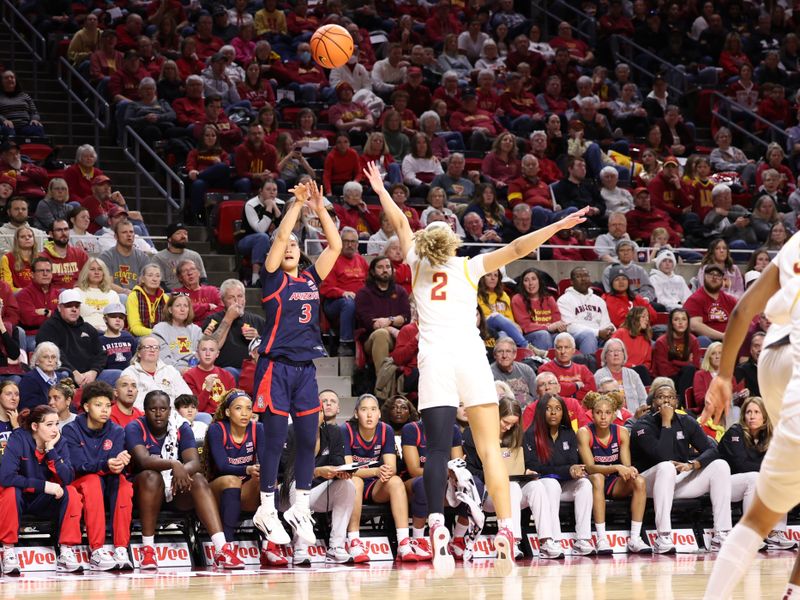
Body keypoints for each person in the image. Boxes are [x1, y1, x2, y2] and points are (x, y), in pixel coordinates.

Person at [362, 160, 588, 570]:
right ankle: (505, 528)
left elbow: (397, 220)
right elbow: (519, 249)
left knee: (434, 451)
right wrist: (557, 226)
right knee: (489, 450)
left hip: (435, 363)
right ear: (451, 245)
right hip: (469, 359)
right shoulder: (468, 267)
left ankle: (435, 524)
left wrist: (380, 190)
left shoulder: (414, 262)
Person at [249, 180, 342, 554]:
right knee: (274, 440)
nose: (289, 247)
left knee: (308, 438)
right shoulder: (272, 281)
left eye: (294, 246)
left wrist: (319, 208)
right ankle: (267, 508)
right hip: (276, 367)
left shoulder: (310, 278)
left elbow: (335, 246)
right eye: (284, 245)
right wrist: (294, 206)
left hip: (305, 369)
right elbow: (280, 238)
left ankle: (300, 506)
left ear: (301, 254)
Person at [125, 389, 242, 569]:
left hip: (175, 489)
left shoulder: (181, 427)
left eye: (163, 409)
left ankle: (222, 549)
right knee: (151, 476)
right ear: (144, 410)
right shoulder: (135, 427)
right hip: (145, 493)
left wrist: (180, 470)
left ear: (170, 410)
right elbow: (143, 460)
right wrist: (174, 464)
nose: (158, 413)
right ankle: (147, 551)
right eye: (152, 409)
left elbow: (194, 462)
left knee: (198, 479)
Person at [630, 382, 732, 555]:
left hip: (676, 481)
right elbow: (662, 455)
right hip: (648, 484)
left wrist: (693, 464)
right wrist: (666, 422)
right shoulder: (642, 426)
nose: (666, 401)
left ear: (676, 401)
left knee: (720, 466)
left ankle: (721, 534)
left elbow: (713, 449)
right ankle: (663, 536)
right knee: (666, 466)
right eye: (661, 397)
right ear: (653, 401)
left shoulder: (686, 421)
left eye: (670, 397)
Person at [343, 393, 426, 563]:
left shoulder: (385, 429)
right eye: (364, 410)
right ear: (356, 413)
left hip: (375, 485)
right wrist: (375, 471)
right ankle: (354, 542)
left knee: (395, 481)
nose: (369, 414)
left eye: (373, 410)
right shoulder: (346, 430)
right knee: (355, 482)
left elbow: (391, 467)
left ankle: (403, 544)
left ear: (380, 413)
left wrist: (382, 472)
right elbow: (348, 470)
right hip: (352, 482)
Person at [0, 405, 83, 574]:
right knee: (10, 491)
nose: (55, 430)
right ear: (35, 426)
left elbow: (67, 478)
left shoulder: (60, 442)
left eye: (57, 424)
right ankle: (7, 550)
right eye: (49, 424)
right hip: (20, 498)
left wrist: (51, 450)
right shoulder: (19, 439)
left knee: (71, 492)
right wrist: (44, 486)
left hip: (44, 502)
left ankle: (66, 551)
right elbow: (6, 477)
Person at [62, 380, 134, 571]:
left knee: (124, 484)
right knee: (93, 481)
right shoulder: (71, 430)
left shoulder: (117, 431)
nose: (105, 410)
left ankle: (121, 548)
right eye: (98, 405)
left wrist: (120, 462)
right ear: (86, 406)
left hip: (107, 479)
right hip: (80, 481)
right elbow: (78, 465)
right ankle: (97, 550)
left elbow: (114, 462)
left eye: (108, 406)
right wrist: (106, 464)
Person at [577, 392, 652, 555]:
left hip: (613, 482)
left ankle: (635, 538)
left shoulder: (622, 431)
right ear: (591, 413)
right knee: (597, 478)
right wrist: (616, 467)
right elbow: (590, 468)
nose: (603, 417)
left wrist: (629, 470)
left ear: (614, 414)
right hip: (591, 483)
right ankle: (601, 538)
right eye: (598, 412)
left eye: (608, 413)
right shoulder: (584, 432)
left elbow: (625, 466)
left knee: (638, 480)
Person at [719, 396, 796, 551]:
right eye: (748, 412)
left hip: (755, 484)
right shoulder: (735, 432)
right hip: (725, 485)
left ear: (764, 416)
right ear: (743, 415)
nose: (752, 416)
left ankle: (775, 533)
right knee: (755, 477)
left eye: (756, 412)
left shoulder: (769, 436)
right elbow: (741, 465)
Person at [523, 394, 597, 556]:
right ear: (541, 412)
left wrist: (573, 470)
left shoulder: (568, 433)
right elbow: (534, 466)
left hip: (566, 484)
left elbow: (571, 461)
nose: (553, 413)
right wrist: (566, 469)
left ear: (563, 412)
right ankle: (553, 541)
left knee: (585, 484)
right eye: (548, 409)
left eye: (557, 409)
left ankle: (582, 539)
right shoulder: (530, 435)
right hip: (545, 487)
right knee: (551, 483)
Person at [203, 390, 272, 564]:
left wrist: (261, 470)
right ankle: (227, 547)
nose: (244, 413)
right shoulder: (216, 429)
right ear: (227, 412)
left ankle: (269, 545)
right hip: (216, 490)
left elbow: (265, 462)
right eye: (238, 408)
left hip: (243, 491)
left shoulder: (259, 428)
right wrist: (247, 469)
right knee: (231, 479)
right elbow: (222, 467)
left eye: (248, 409)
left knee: (268, 479)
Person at [36, 289, 106, 387]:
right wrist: (74, 372)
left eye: (77, 306)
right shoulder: (49, 327)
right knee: (64, 376)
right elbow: (52, 356)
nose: (74, 309)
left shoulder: (87, 328)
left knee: (116, 374)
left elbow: (100, 354)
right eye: (69, 306)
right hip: (64, 374)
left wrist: (94, 371)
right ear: (59, 308)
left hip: (90, 376)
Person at [354, 256, 410, 368]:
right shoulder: (364, 293)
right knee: (381, 334)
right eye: (380, 267)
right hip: (371, 339)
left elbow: (405, 317)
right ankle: (383, 383)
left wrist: (389, 320)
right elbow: (371, 323)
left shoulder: (400, 291)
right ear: (373, 272)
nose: (385, 270)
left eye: (388, 267)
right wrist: (392, 327)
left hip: (399, 337)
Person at [202, 279, 265, 376]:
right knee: (229, 372)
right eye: (231, 297)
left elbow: (269, 350)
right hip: (224, 371)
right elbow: (212, 348)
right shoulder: (212, 320)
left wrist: (257, 339)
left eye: (240, 296)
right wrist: (228, 319)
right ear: (223, 301)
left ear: (245, 298)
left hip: (253, 371)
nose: (237, 301)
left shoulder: (258, 321)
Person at [120, 336, 192, 410]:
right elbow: (131, 403)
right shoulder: (129, 374)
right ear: (139, 353)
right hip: (145, 416)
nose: (152, 350)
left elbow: (187, 396)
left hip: (174, 415)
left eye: (156, 347)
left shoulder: (171, 371)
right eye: (147, 347)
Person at [557, 266, 615, 355]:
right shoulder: (564, 300)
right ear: (571, 282)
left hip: (600, 336)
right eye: (579, 276)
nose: (583, 279)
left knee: (618, 336)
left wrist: (610, 330)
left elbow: (606, 323)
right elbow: (570, 327)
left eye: (586, 276)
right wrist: (598, 333)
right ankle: (589, 367)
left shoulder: (599, 300)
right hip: (577, 337)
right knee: (589, 335)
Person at [236, 179, 282, 287]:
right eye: (268, 189)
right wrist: (269, 208)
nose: (272, 192)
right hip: (247, 241)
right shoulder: (251, 205)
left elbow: (284, 227)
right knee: (262, 237)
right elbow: (260, 229)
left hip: (272, 240)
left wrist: (274, 206)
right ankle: (255, 278)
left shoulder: (281, 203)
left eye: (274, 190)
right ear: (260, 191)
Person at [511, 267, 566, 351]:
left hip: (550, 333)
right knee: (543, 335)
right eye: (526, 280)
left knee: (564, 337)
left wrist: (560, 327)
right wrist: (547, 327)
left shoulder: (549, 298)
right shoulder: (517, 299)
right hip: (529, 336)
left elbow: (556, 320)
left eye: (533, 279)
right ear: (522, 284)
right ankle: (543, 362)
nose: (530, 283)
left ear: (539, 281)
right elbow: (525, 326)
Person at [684, 264, 738, 347]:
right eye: (711, 274)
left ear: (722, 279)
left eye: (718, 275)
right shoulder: (695, 299)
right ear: (704, 277)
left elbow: (742, 319)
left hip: (730, 340)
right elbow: (694, 326)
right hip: (709, 342)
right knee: (702, 340)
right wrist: (723, 336)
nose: (714, 277)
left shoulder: (730, 300)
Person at [652, 308, 701, 398]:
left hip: (687, 377)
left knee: (690, 370)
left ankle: (682, 403)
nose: (680, 322)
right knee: (689, 368)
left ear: (687, 322)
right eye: (676, 319)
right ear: (671, 323)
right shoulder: (662, 342)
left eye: (683, 319)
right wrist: (687, 363)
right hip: (666, 380)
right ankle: (680, 403)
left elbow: (696, 366)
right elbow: (664, 371)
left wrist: (673, 362)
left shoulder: (693, 340)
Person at [183, 336, 237, 414]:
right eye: (204, 350)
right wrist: (207, 389)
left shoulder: (227, 376)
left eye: (211, 350)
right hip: (203, 417)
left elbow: (233, 404)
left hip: (224, 417)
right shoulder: (189, 376)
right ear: (197, 353)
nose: (207, 354)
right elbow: (195, 408)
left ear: (217, 354)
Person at [593, 338, 647, 414]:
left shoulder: (633, 374)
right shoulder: (598, 375)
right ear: (605, 356)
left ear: (624, 354)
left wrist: (641, 412)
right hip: (609, 418)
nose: (616, 354)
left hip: (635, 418)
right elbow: (595, 402)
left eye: (619, 351)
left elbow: (644, 399)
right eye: (611, 351)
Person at [152, 294, 202, 372]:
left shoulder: (195, 330)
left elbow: (202, 353)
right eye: (178, 306)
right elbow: (164, 359)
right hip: (171, 372)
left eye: (185, 306)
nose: (182, 309)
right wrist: (181, 370)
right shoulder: (160, 329)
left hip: (195, 371)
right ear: (170, 310)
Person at [152, 224, 207, 291]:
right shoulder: (159, 258)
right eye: (178, 233)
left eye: (185, 233)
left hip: (194, 294)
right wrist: (179, 296)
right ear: (169, 239)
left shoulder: (195, 256)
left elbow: (203, 280)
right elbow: (160, 284)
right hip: (170, 296)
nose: (183, 236)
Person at [76, 258, 121, 332]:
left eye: (100, 269)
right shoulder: (77, 292)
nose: (97, 272)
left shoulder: (112, 294)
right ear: (86, 272)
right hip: (84, 332)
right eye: (92, 269)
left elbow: (118, 319)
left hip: (108, 333)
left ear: (104, 273)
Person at [173, 260, 222, 326]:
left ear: (199, 273)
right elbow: (185, 311)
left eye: (192, 269)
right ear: (180, 277)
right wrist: (208, 306)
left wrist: (199, 320)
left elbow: (222, 309)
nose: (190, 273)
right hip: (188, 331)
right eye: (184, 271)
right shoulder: (178, 292)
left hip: (211, 329)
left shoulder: (212, 290)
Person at [126, 263, 168, 337]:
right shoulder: (134, 296)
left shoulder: (165, 298)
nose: (154, 279)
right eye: (150, 275)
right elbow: (134, 328)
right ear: (142, 279)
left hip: (163, 336)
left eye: (157, 276)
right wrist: (156, 333)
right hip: (140, 336)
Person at [18, 342, 63, 411]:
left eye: (53, 357)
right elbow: (29, 409)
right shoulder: (29, 380)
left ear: (57, 361)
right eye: (45, 357)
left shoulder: (62, 378)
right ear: (37, 361)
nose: (50, 360)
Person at [99, 303, 137, 380]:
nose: (118, 320)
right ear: (105, 319)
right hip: (109, 376)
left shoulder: (128, 337)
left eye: (121, 317)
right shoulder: (100, 340)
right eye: (113, 316)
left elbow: (135, 356)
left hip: (130, 375)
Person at [0, 225, 35, 292]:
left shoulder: (41, 258)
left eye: (30, 236)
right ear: (17, 240)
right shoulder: (7, 258)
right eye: (22, 237)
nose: (27, 238)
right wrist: (26, 292)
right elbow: (7, 287)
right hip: (16, 296)